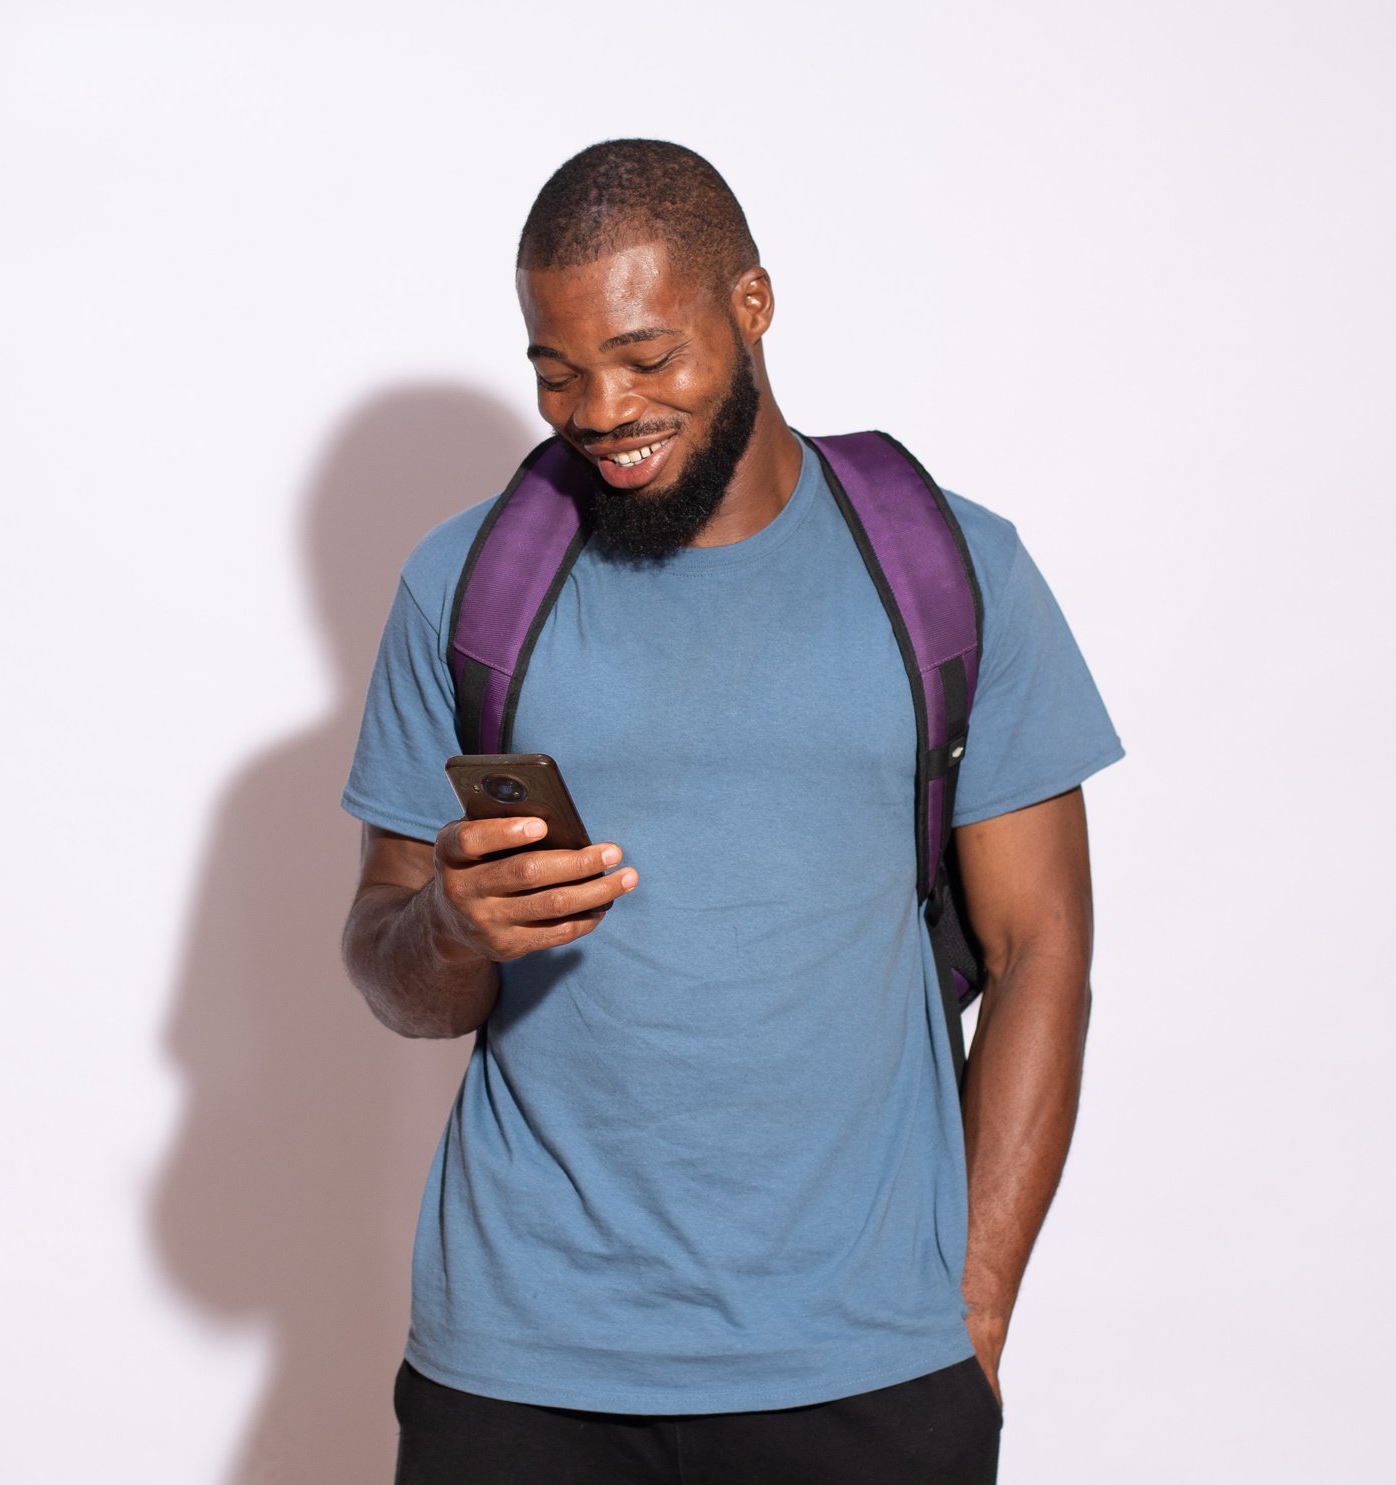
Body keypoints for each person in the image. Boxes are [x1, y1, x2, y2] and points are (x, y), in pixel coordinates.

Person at [339, 138, 1124, 1484]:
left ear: (751, 305)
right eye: (558, 370)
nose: (602, 409)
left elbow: (1043, 948)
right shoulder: (464, 585)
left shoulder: (950, 568)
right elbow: (393, 966)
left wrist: (973, 1306)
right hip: (521, 1368)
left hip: (868, 1366)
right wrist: (454, 925)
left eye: (649, 357)